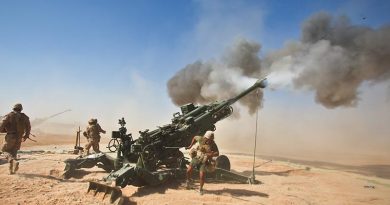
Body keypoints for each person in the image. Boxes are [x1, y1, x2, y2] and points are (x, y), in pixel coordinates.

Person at [0, 103, 31, 174]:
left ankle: (13, 162)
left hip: (10, 136)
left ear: (13, 108)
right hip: (19, 137)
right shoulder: (25, 117)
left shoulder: (9, 115)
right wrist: (26, 136)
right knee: (13, 153)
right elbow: (28, 128)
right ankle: (12, 171)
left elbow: (1, 125)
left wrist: (2, 130)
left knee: (4, 150)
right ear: (21, 109)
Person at [186, 131, 219, 195]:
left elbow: (217, 153)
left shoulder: (213, 144)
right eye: (208, 139)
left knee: (202, 176)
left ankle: (201, 189)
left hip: (204, 160)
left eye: (210, 139)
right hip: (197, 157)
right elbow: (195, 137)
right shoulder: (201, 139)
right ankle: (188, 181)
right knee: (188, 170)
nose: (208, 140)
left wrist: (210, 155)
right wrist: (190, 146)